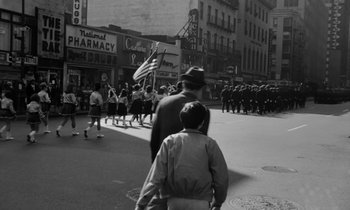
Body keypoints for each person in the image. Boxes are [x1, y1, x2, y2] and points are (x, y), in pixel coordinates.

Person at [135, 101, 228, 210]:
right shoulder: (210, 144)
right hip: (201, 201)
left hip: (174, 200)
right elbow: (221, 177)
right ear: (202, 122)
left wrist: (142, 202)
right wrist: (218, 201)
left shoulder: (170, 141)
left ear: (182, 119)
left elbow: (156, 176)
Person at [148, 66, 210, 209]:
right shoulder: (202, 110)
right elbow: (200, 146)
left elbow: (154, 141)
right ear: (200, 88)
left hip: (164, 171)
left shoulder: (164, 103)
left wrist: (156, 169)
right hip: (187, 178)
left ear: (184, 84)